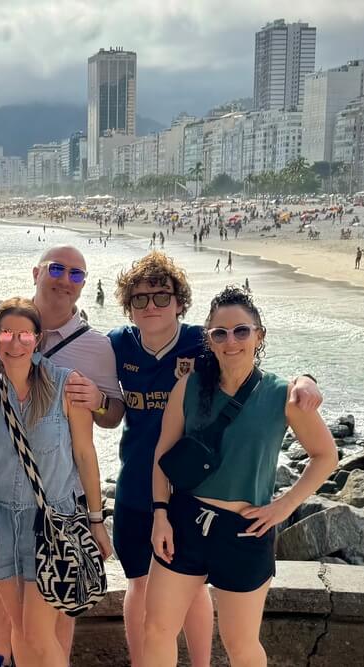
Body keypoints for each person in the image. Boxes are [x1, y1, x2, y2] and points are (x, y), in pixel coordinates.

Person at [108, 254, 321, 667]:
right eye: (220, 333)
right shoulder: (173, 377)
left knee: (241, 644)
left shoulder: (280, 393)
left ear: (259, 335)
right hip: (179, 515)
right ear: (209, 338)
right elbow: (158, 453)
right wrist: (161, 514)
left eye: (241, 331)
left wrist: (284, 507)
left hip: (243, 530)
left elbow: (325, 455)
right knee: (156, 627)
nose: (230, 340)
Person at [0, 246, 124, 666]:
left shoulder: (68, 381)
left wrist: (96, 521)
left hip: (52, 520)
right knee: (19, 631)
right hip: (1, 519)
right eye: (6, 334)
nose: (16, 341)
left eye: (25, 335)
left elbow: (88, 451)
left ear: (36, 339)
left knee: (39, 634)